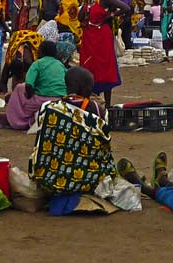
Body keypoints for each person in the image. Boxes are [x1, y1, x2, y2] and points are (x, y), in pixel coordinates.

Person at [28, 66, 114, 210]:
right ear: (83, 88)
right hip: (89, 179)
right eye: (90, 88)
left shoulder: (48, 108)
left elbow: (41, 144)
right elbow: (104, 146)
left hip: (50, 179)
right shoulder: (98, 110)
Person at [78, 0, 130, 106]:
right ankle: (92, 102)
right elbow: (80, 17)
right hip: (89, 38)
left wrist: (111, 15)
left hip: (102, 38)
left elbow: (126, 8)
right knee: (89, 67)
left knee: (104, 68)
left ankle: (108, 104)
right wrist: (85, 1)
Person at [0, 41, 67, 130]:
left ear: (41, 52)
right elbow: (68, 80)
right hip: (60, 100)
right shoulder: (60, 65)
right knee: (21, 88)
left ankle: (18, 120)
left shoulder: (37, 64)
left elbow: (29, 85)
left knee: (19, 88)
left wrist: (30, 96)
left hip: (41, 101)